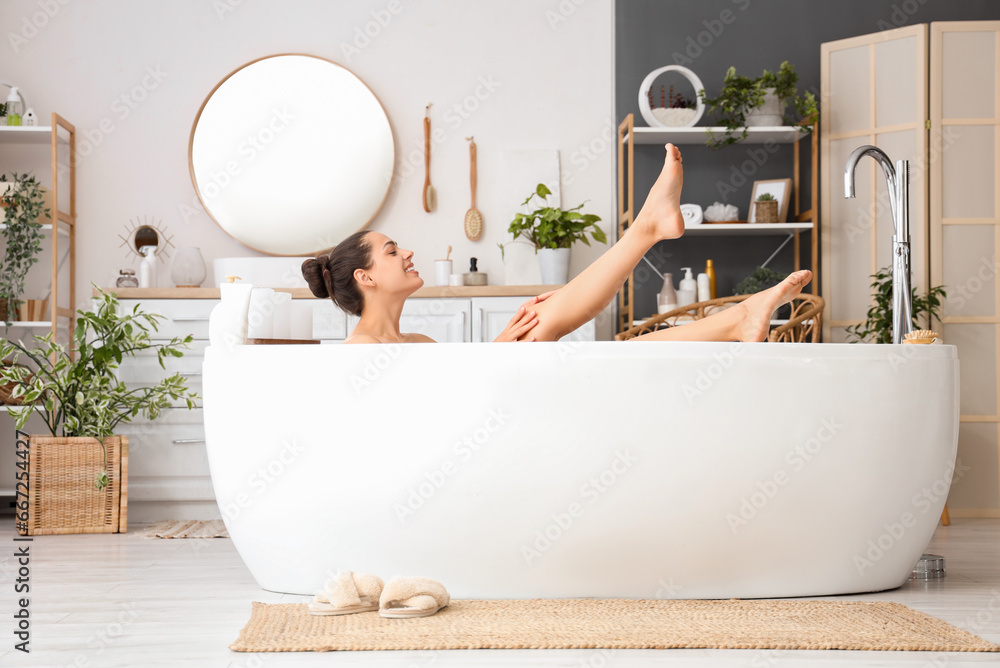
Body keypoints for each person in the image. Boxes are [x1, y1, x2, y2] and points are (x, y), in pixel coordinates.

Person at [302, 143, 812, 344]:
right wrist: (499, 353)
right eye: (392, 250)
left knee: (566, 333)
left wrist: (499, 349)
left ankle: (732, 314)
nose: (407, 251)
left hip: (485, 410)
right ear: (364, 277)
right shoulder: (362, 352)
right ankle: (652, 231)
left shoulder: (416, 344)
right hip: (469, 441)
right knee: (541, 328)